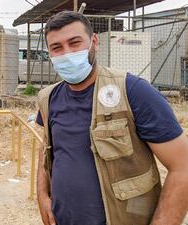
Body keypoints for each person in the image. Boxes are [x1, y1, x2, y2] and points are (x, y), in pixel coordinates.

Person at [36, 11, 188, 225]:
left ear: (94, 42)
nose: (67, 54)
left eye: (75, 43)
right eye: (57, 48)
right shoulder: (48, 99)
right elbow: (46, 148)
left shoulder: (133, 91)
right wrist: (42, 196)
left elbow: (183, 167)